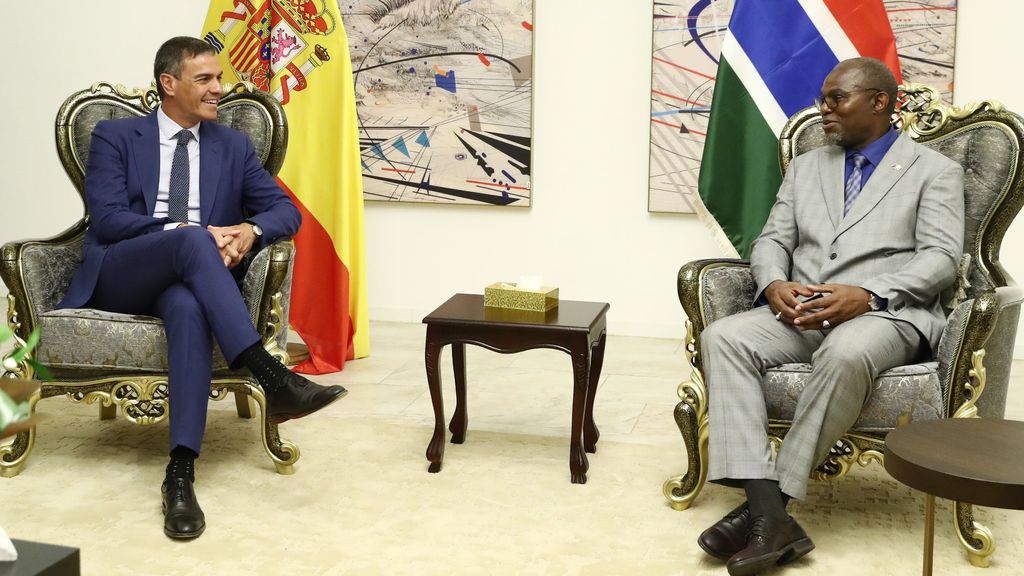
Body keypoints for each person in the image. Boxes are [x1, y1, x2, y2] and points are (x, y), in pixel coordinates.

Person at [57, 36, 348, 540]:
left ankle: (180, 471)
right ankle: (269, 375)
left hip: (192, 280)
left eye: (219, 78)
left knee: (189, 307)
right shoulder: (117, 136)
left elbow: (285, 212)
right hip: (124, 274)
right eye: (205, 80)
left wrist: (249, 231)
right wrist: (185, 233)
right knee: (191, 238)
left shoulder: (232, 146)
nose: (220, 88)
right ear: (169, 84)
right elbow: (106, 220)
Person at [695, 57, 964, 576]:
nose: (823, 110)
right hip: (801, 312)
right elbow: (773, 238)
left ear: (879, 102)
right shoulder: (806, 166)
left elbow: (940, 257)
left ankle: (768, 509)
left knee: (846, 350)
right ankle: (771, 517)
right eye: (824, 99)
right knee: (724, 337)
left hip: (887, 315)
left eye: (836, 99)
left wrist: (867, 294)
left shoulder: (935, 172)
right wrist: (774, 283)